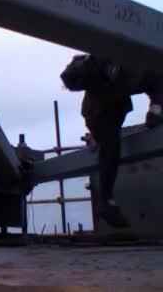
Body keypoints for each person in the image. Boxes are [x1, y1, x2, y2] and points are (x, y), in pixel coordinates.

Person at [60, 54, 163, 228]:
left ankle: (106, 201)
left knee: (110, 148)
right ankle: (106, 202)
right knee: (110, 149)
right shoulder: (114, 73)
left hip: (106, 107)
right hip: (106, 108)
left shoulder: (112, 74)